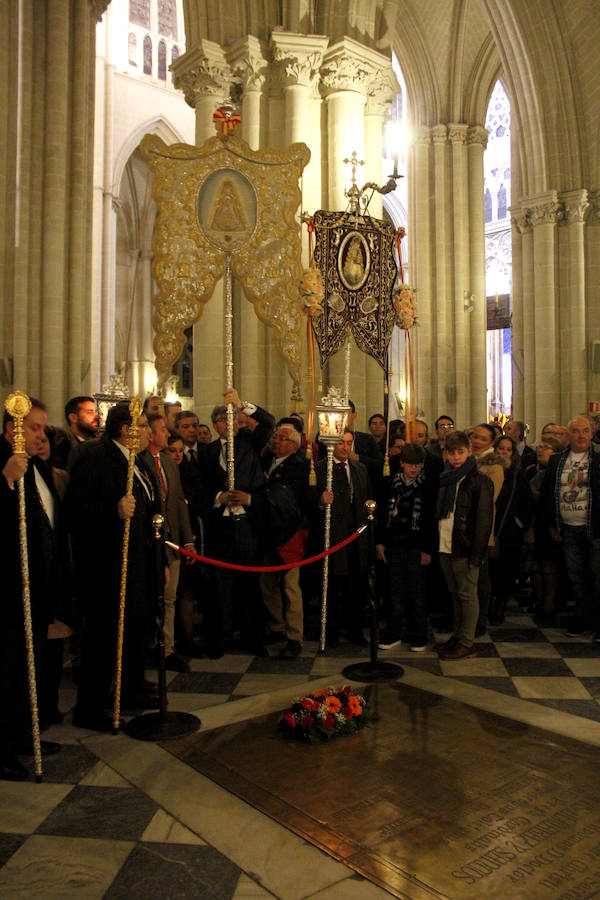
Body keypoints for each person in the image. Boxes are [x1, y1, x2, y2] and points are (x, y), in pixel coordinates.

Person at [67, 401, 163, 731]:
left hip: (140, 564)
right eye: (143, 425)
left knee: (136, 632)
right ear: (125, 429)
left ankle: (131, 690)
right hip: (108, 569)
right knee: (103, 639)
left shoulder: (140, 462)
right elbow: (75, 512)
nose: (149, 432)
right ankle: (89, 708)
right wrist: (113, 510)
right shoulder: (96, 460)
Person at [1, 398, 64, 779]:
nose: (43, 435)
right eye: (34, 428)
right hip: (9, 589)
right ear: (13, 429)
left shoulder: (38, 466)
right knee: (8, 669)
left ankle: (22, 734)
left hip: (38, 587)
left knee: (29, 667)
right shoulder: (7, 463)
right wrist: (5, 480)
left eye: (43, 428)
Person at [201, 388, 274, 658]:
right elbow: (202, 488)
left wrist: (241, 404)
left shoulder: (249, 443)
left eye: (231, 418)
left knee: (249, 586)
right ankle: (220, 639)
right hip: (220, 528)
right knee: (221, 588)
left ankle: (252, 638)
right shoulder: (207, 453)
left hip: (247, 526)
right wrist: (219, 497)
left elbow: (268, 422)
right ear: (215, 425)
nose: (227, 423)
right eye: (222, 419)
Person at [142, 413, 196, 671]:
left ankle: (168, 647)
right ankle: (148, 646)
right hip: (149, 544)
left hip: (171, 542)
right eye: (162, 429)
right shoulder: (140, 462)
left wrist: (187, 540)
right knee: (150, 599)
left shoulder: (168, 463)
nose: (167, 433)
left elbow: (178, 502)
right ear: (151, 435)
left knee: (170, 598)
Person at [434, 430, 494, 659]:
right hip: (446, 543)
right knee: (455, 593)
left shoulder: (479, 480)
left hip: (464, 547)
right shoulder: (446, 477)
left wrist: (476, 556)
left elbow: (483, 521)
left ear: (469, 452)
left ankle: (467, 641)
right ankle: (458, 636)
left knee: (467, 595)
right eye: (452, 453)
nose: (456, 457)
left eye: (460, 452)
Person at [311, 428, 371, 647]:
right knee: (332, 587)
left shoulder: (359, 468)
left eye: (349, 442)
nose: (345, 447)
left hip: (355, 537)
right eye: (341, 443)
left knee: (355, 588)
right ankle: (331, 632)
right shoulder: (318, 469)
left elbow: (366, 499)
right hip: (333, 537)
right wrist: (320, 501)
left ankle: (355, 630)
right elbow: (307, 501)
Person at [542, 415, 600, 638]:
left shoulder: (598, 458)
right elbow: (549, 492)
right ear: (569, 435)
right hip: (567, 527)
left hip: (595, 527)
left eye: (585, 431)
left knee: (597, 576)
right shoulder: (557, 460)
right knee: (576, 577)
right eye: (575, 431)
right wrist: (552, 524)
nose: (581, 435)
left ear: (592, 433)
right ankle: (583, 619)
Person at [376, 443, 436, 651]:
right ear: (402, 463)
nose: (414, 469)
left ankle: (419, 633)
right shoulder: (390, 484)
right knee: (396, 591)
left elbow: (431, 520)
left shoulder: (427, 486)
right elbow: (382, 515)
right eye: (410, 464)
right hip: (394, 544)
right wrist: (380, 542)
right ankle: (394, 632)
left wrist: (428, 549)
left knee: (417, 592)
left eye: (418, 465)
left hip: (416, 546)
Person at [260, 424, 309, 658]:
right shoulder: (268, 460)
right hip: (270, 531)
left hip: (289, 533)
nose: (276, 441)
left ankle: (294, 636)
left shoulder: (297, 466)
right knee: (267, 583)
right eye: (276, 436)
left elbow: (285, 496)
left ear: (292, 445)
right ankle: (277, 625)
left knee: (290, 587)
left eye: (281, 438)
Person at [488, 435, 533, 624]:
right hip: (489, 528)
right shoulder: (487, 471)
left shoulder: (516, 476)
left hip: (509, 532)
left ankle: (500, 604)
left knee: (506, 570)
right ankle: (489, 603)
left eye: (508, 449)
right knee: (490, 571)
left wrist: (519, 524)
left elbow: (526, 503)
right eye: (501, 448)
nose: (504, 452)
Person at [470, 423, 505, 634]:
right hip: (462, 526)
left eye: (483, 439)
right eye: (475, 436)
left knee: (480, 575)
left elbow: (489, 498)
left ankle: (480, 620)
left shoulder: (494, 466)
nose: (477, 441)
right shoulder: (467, 459)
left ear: (491, 442)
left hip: (480, 526)